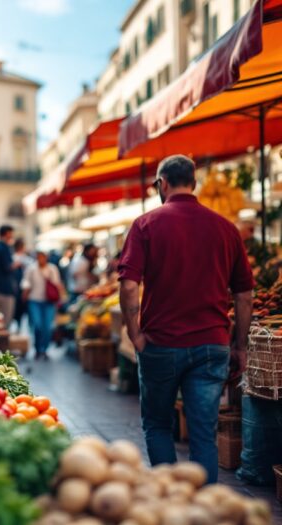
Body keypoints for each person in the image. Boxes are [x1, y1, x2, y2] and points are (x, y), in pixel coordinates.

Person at [118, 155, 253, 484]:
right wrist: (241, 347)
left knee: (158, 425)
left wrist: (135, 335)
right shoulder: (226, 228)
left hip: (161, 343)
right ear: (194, 183)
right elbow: (245, 295)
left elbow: (129, 286)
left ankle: (171, 497)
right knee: (204, 434)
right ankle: (203, 506)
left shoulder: (145, 224)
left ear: (162, 183)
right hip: (212, 345)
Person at [22, 251, 62, 360]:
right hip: (34, 300)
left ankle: (44, 349)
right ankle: (38, 348)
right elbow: (26, 282)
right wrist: (25, 292)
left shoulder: (52, 269)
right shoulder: (31, 268)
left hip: (49, 302)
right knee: (37, 325)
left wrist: (61, 297)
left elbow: (57, 283)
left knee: (47, 327)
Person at [0, 225, 22, 329]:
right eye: (11, 234)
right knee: (4, 325)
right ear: (7, 234)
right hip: (5, 292)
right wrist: (17, 264)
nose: (12, 237)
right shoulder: (5, 248)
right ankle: (1, 345)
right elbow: (8, 267)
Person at [12, 238, 32, 331]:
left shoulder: (17, 257)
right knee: (19, 307)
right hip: (20, 286)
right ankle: (18, 323)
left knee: (18, 307)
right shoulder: (22, 258)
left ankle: (18, 323)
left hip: (18, 286)